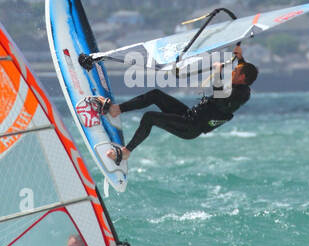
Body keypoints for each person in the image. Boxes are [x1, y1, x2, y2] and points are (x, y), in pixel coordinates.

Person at [91, 44, 257, 164]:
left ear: (242, 78)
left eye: (235, 71)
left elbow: (220, 98)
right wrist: (240, 57)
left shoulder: (241, 94)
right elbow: (241, 72)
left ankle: (126, 152)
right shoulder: (240, 84)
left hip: (191, 127)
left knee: (150, 117)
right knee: (156, 95)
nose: (232, 71)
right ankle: (116, 109)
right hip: (189, 115)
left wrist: (218, 72)